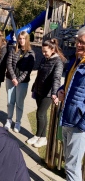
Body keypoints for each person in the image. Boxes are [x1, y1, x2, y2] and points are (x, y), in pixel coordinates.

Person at [26, 38, 66, 148]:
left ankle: (42, 137)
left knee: (40, 113)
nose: (43, 54)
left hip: (48, 94)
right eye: (42, 51)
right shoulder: (45, 59)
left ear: (52, 49)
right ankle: (39, 136)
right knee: (42, 115)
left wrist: (54, 93)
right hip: (39, 90)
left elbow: (56, 78)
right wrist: (34, 88)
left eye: (45, 51)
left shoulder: (57, 61)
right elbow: (39, 75)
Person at [58, 26, 85, 181]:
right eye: (77, 41)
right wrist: (61, 91)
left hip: (78, 124)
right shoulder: (76, 61)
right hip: (67, 117)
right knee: (69, 164)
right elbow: (68, 84)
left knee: (72, 168)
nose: (78, 45)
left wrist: (82, 125)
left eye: (82, 42)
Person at [4, 31, 35, 133]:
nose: (21, 40)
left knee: (19, 103)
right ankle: (9, 120)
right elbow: (8, 64)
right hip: (10, 79)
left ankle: (18, 122)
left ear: (27, 39)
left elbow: (28, 70)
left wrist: (18, 80)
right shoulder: (13, 50)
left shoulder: (31, 53)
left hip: (22, 82)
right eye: (20, 38)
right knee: (10, 102)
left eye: (23, 38)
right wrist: (13, 77)